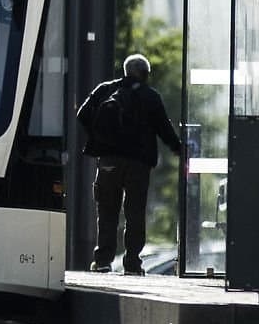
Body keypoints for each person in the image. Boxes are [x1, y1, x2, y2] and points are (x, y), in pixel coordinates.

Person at [74, 52, 185, 275]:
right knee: (135, 213)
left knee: (106, 212)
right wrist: (179, 149)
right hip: (138, 164)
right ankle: (132, 263)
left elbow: (82, 114)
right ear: (145, 74)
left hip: (108, 161)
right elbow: (164, 128)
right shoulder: (151, 96)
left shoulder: (105, 90)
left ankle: (103, 261)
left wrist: (99, 138)